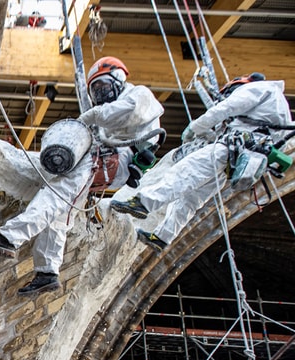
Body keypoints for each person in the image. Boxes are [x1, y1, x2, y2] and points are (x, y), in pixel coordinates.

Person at [0, 57, 164, 294]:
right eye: (96, 90)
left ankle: (9, 238)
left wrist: (91, 117)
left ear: (118, 78)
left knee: (56, 192)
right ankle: (47, 272)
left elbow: (125, 113)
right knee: (61, 212)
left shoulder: (138, 95)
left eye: (103, 87)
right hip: (108, 159)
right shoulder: (109, 116)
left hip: (114, 159)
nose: (101, 94)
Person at [111, 73, 293, 252]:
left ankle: (143, 203)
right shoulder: (278, 107)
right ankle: (162, 237)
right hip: (237, 159)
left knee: (184, 172)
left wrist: (195, 127)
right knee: (192, 199)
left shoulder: (256, 88)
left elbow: (226, 108)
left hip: (229, 149)